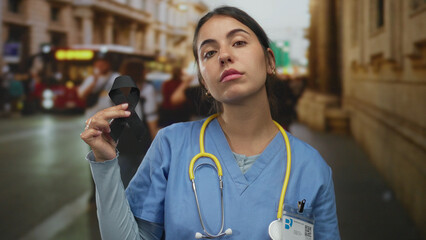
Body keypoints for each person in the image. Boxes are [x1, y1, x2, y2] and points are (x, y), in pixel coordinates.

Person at [80, 6, 340, 239]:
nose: (224, 56)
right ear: (204, 81)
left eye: (238, 42)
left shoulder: (312, 168)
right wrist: (105, 164)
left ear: (270, 61)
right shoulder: (171, 145)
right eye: (209, 52)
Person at [78, 56, 120, 203]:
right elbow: (82, 95)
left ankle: (111, 191)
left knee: (112, 157)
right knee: (95, 158)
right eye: (98, 64)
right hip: (92, 126)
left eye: (103, 63)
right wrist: (95, 81)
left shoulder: (116, 78)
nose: (100, 66)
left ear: (108, 64)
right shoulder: (91, 79)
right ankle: (95, 190)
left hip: (111, 125)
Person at [116, 58, 159, 188]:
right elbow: (151, 119)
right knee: (144, 184)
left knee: (124, 181)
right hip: (142, 140)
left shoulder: (118, 90)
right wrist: (157, 145)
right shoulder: (147, 90)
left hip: (122, 141)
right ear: (140, 72)